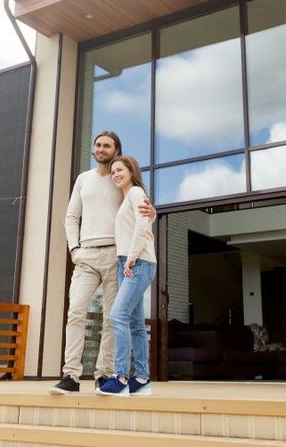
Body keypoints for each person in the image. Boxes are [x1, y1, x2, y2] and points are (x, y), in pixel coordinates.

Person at [50, 132, 154, 395]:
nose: (101, 149)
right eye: (97, 144)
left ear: (116, 149)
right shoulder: (83, 179)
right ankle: (70, 376)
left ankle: (103, 374)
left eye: (106, 145)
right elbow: (71, 217)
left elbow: (140, 208)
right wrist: (74, 248)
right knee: (75, 312)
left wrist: (153, 211)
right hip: (85, 256)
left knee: (111, 318)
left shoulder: (121, 179)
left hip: (115, 256)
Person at [97, 155, 157, 396]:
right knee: (135, 324)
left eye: (120, 170)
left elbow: (143, 226)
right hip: (130, 262)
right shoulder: (127, 198)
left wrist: (130, 258)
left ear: (131, 171)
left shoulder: (135, 194)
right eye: (113, 172)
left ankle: (120, 378)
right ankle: (142, 379)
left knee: (117, 316)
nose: (115, 174)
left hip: (137, 262)